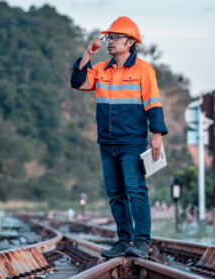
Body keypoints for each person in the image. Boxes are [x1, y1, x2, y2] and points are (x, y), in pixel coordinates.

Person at [70, 16, 168, 258]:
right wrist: (87, 54)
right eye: (109, 37)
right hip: (107, 143)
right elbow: (77, 82)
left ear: (130, 42)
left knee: (135, 191)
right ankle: (124, 241)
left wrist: (157, 135)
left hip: (132, 142)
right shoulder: (101, 69)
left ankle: (142, 242)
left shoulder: (144, 70)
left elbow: (153, 104)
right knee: (115, 194)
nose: (110, 41)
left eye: (115, 37)